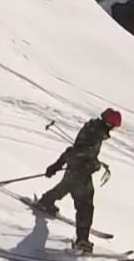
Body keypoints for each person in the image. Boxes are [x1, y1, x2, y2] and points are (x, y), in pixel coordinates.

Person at [31, 107, 121, 253]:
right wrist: (94, 165)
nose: (114, 130)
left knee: (64, 187)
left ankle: (46, 202)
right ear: (109, 124)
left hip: (74, 170)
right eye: (115, 127)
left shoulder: (93, 127)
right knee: (85, 207)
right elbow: (76, 152)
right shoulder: (95, 133)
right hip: (81, 174)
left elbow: (79, 151)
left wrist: (58, 165)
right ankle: (82, 241)